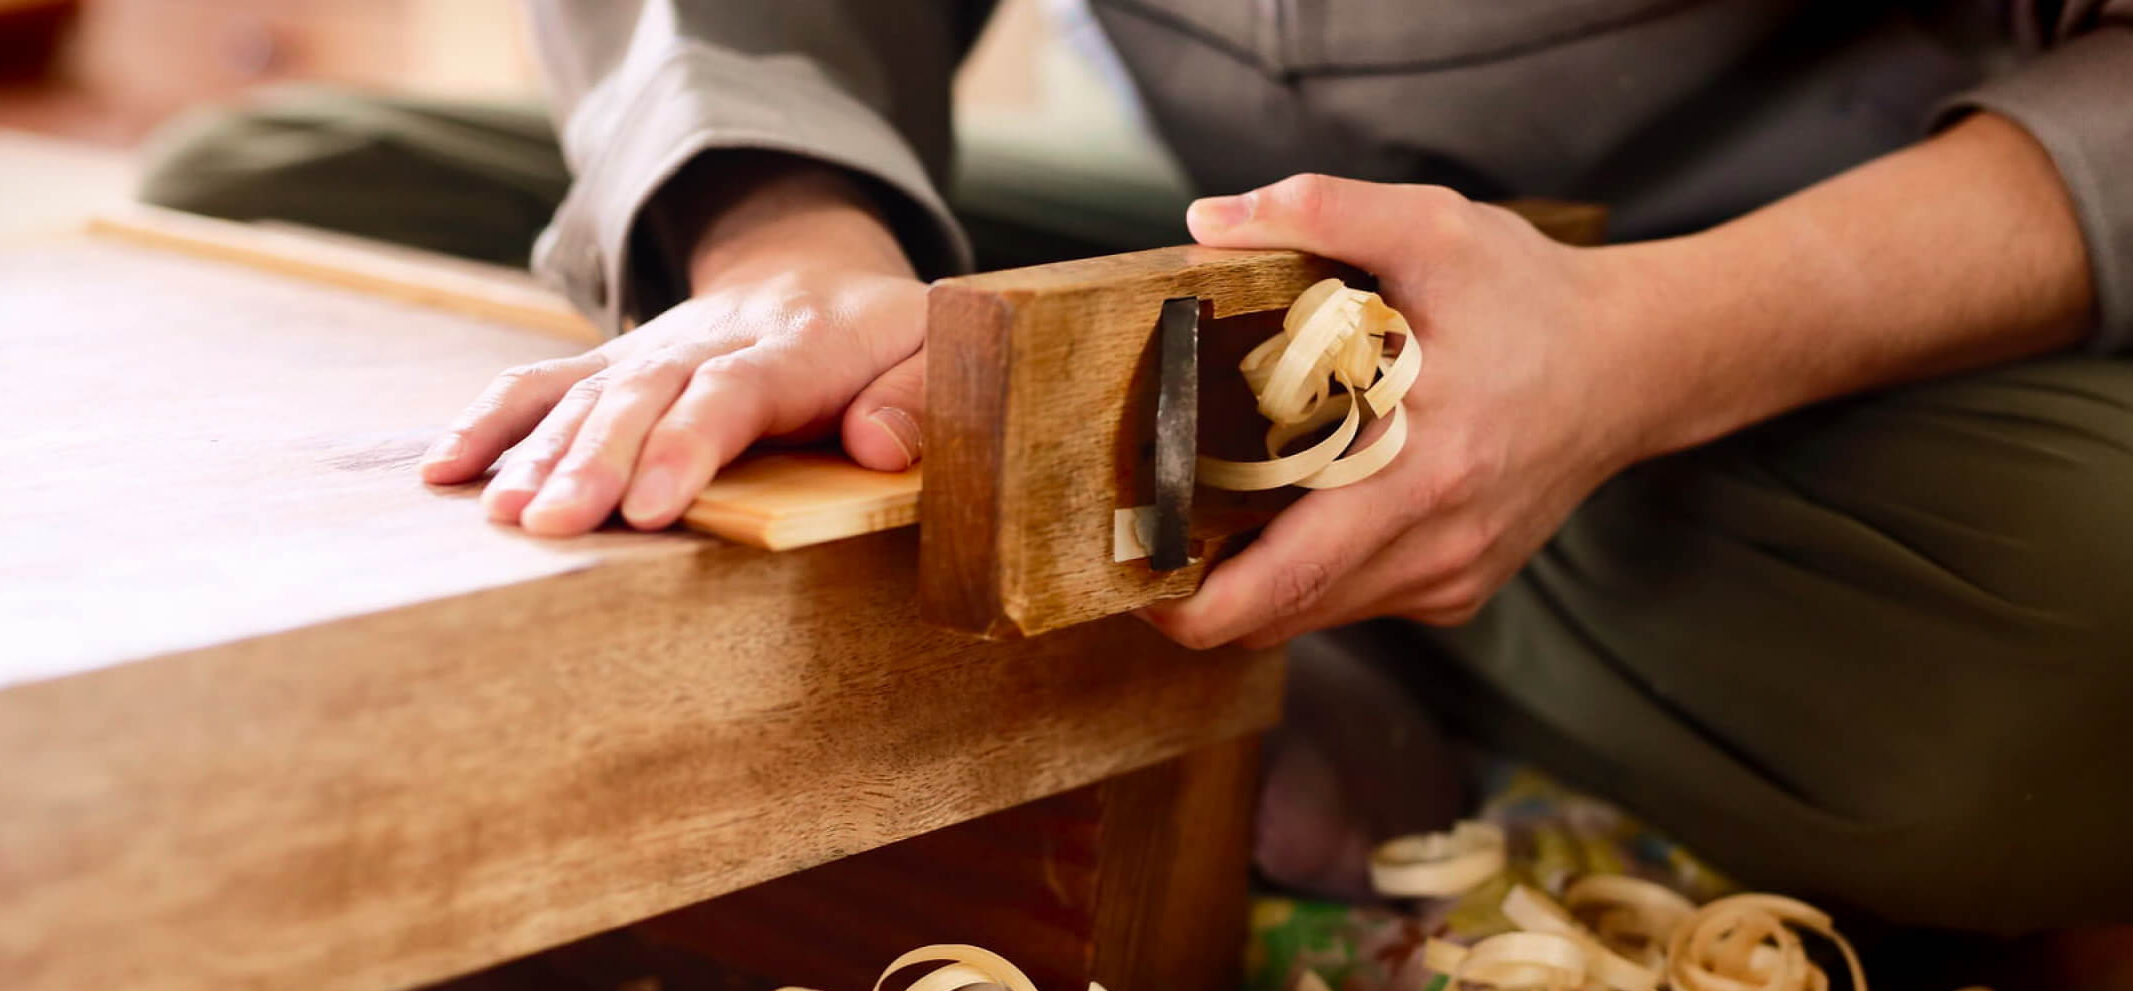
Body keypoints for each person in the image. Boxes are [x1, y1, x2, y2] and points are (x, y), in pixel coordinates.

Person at [145, 2, 2133, 933]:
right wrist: (793, 245)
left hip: (1828, 311)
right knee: (272, 197)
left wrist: (1649, 351)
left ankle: (1223, 601)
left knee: (2081, 633)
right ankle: (1270, 587)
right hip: (1242, 238)